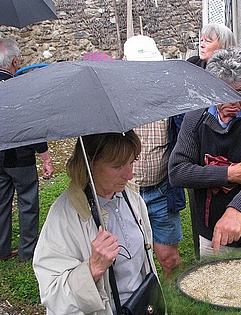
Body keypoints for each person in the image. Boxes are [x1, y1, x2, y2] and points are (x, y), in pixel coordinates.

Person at [169, 48, 241, 258]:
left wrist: (237, 210)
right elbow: (177, 171)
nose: (235, 102)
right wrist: (229, 174)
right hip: (210, 234)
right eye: (225, 93)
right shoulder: (195, 117)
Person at [33, 131, 160, 314]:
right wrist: (93, 268)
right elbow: (52, 294)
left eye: (131, 162)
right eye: (117, 166)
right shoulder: (64, 216)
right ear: (89, 162)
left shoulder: (131, 198)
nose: (130, 175)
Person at [124, 35, 185, 277]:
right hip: (123, 195)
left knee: (169, 259)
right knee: (128, 262)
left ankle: (173, 304)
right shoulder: (115, 101)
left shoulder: (170, 100)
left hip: (161, 192)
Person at [0, 37, 54, 262]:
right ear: (14, 63)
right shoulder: (18, 88)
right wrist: (46, 157)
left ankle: (2, 250)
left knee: (1, 204)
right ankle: (27, 251)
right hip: (19, 157)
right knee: (28, 202)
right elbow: (30, 125)